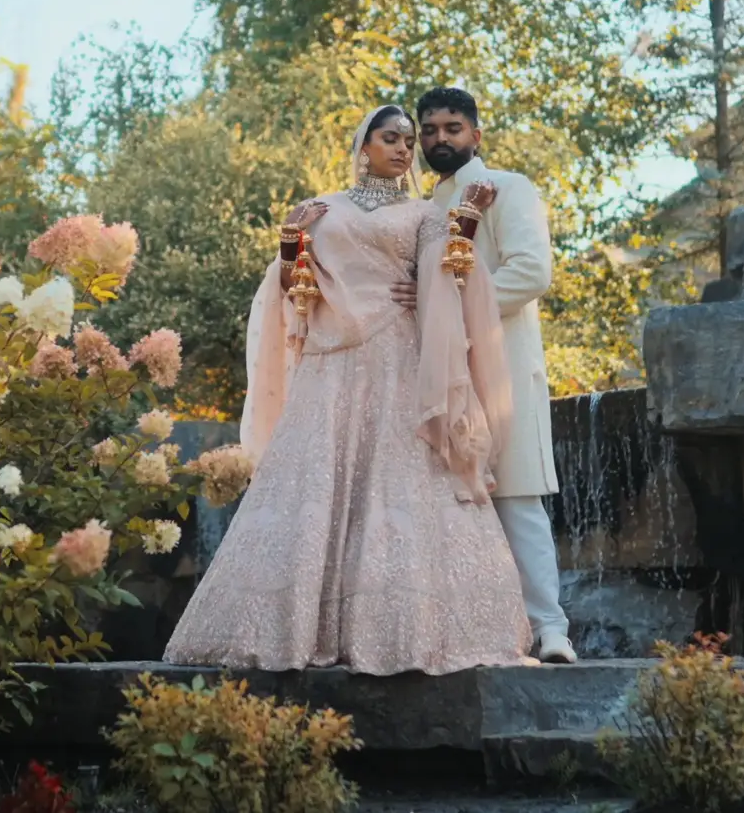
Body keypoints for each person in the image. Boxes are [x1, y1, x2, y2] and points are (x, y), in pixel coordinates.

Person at [162, 104, 532, 675]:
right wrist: (290, 241)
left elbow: (453, 275)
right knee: (313, 486)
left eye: (410, 141)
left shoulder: (423, 214)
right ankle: (295, 628)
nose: (405, 149)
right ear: (364, 146)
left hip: (398, 362)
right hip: (329, 367)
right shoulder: (320, 210)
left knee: (398, 479)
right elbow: (297, 294)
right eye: (392, 138)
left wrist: (466, 221)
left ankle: (401, 631)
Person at [412, 85, 577, 665]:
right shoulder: (419, 207)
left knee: (516, 496)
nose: (439, 140)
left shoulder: (508, 188)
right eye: (428, 130)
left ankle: (551, 630)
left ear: (476, 135)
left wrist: (451, 314)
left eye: (452, 129)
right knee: (450, 500)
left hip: (500, 367)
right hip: (438, 374)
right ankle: (468, 632)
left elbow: (530, 272)